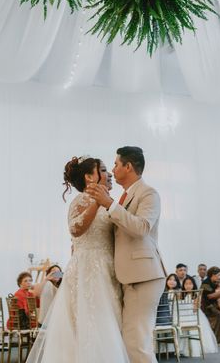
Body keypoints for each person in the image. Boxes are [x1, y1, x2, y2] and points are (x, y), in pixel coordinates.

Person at [27, 156, 128, 363]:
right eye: (102, 169)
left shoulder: (112, 202)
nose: (108, 173)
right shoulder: (81, 200)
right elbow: (75, 228)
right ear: (89, 177)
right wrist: (97, 203)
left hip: (108, 269)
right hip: (88, 271)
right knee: (93, 326)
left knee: (110, 324)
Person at [86, 146, 167, 363]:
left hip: (144, 277)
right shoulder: (124, 196)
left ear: (128, 166)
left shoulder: (148, 193)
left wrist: (109, 204)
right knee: (129, 341)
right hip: (126, 277)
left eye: (115, 164)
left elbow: (141, 228)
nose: (112, 169)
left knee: (136, 343)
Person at [179, 276, 218, 356]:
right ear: (183, 285)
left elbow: (196, 307)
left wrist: (193, 305)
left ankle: (196, 348)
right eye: (186, 284)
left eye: (190, 284)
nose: (188, 286)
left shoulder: (196, 294)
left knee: (196, 329)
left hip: (195, 314)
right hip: (184, 314)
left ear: (193, 285)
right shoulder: (181, 294)